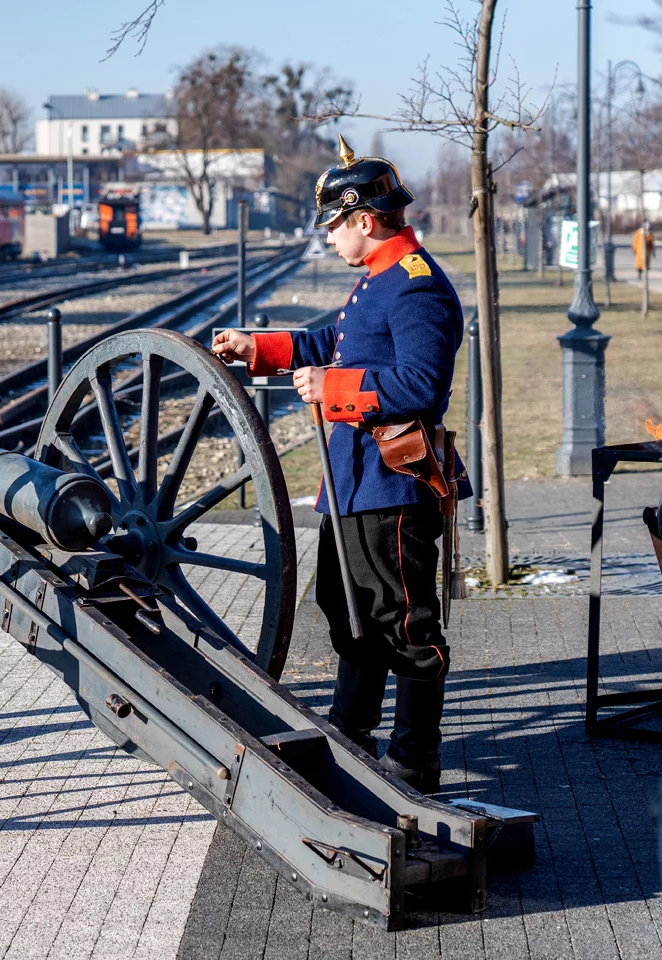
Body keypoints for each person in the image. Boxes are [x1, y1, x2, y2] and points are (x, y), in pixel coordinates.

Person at [211, 137, 469, 794]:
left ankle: (413, 763)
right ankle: (351, 735)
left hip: (393, 482)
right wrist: (259, 347)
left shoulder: (415, 286)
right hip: (355, 482)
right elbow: (339, 342)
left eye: (333, 224)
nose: (327, 236)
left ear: (364, 219)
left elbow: (421, 384)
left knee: (405, 623)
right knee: (348, 607)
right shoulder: (379, 279)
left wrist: (334, 389)